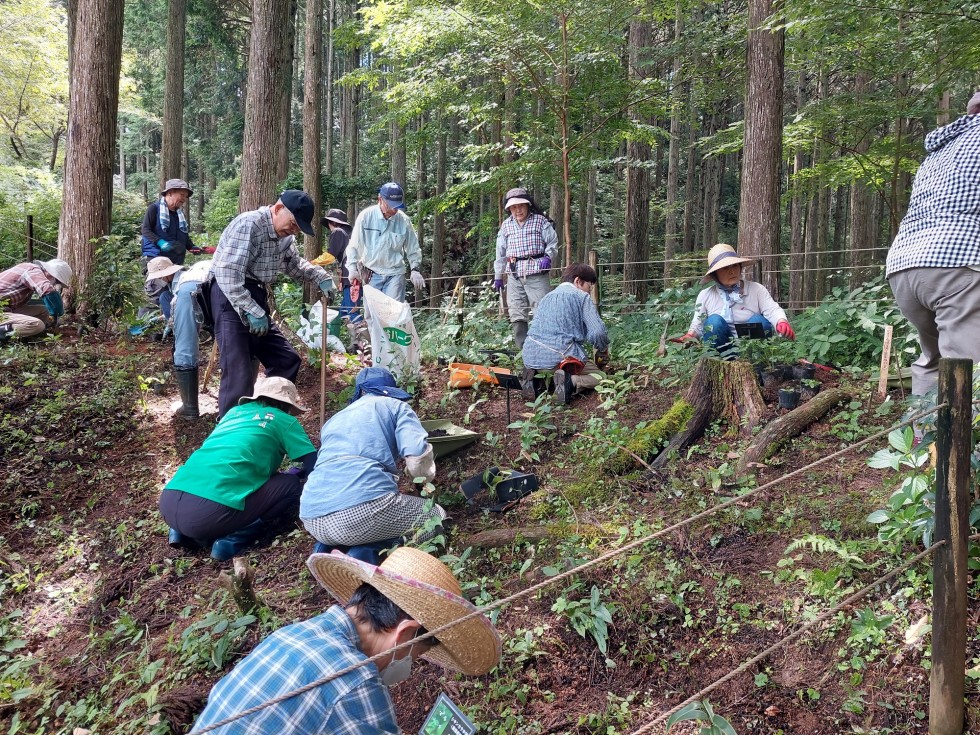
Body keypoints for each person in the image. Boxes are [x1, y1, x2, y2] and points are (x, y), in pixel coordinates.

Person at [190, 546, 501, 734]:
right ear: (405, 634)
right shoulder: (355, 683)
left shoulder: (294, 633)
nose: (408, 667)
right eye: (414, 656)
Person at [159, 377, 316, 561]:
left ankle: (179, 532)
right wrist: (301, 472)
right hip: (206, 514)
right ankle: (230, 540)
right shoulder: (284, 420)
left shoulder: (234, 412)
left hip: (169, 502)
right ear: (287, 405)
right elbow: (313, 463)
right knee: (290, 484)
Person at [209, 189, 335, 418]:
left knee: (286, 360)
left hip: (255, 295)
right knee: (238, 371)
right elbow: (227, 274)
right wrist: (252, 310)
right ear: (278, 209)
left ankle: (267, 419)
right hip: (229, 296)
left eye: (298, 228)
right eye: (293, 224)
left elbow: (295, 265)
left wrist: (320, 276)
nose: (294, 231)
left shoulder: (285, 238)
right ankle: (230, 434)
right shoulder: (250, 224)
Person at [886, 91, 980, 396]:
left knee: (934, 359)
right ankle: (965, 444)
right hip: (956, 263)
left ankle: (920, 443)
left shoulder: (941, 149)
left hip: (905, 265)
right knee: (967, 370)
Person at [300, 367, 446, 553]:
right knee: (435, 519)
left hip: (312, 516)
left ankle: (324, 551)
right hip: (362, 508)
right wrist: (425, 484)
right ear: (391, 390)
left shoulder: (334, 419)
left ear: (360, 391)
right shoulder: (396, 406)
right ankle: (362, 555)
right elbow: (417, 460)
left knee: (356, 528)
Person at [672, 244, 794, 357]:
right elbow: (698, 325)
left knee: (758, 321)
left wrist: (781, 321)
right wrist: (690, 336)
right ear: (715, 274)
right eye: (725, 268)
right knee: (714, 322)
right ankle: (717, 365)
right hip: (721, 347)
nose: (732, 271)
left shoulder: (756, 289)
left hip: (751, 348)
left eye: (735, 265)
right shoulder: (706, 295)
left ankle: (756, 365)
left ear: (740, 267)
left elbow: (772, 309)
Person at [521, 263, 610, 405]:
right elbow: (598, 332)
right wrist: (602, 347)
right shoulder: (581, 297)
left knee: (548, 370)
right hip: (560, 357)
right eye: (589, 287)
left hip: (530, 355)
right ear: (578, 281)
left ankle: (537, 379)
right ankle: (571, 381)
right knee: (600, 376)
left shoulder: (546, 297)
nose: (589, 291)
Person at [142, 256, 213, 418]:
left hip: (196, 301)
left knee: (183, 349)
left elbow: (181, 304)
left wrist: (175, 327)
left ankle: (189, 408)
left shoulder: (184, 286)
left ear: (165, 276)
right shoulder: (183, 280)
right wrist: (164, 319)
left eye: (158, 278)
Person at [493, 187, 558, 349]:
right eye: (514, 207)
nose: (518, 210)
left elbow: (553, 242)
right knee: (516, 310)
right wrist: (498, 276)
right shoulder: (506, 226)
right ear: (509, 209)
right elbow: (500, 252)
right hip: (514, 274)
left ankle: (544, 348)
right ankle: (522, 350)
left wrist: (548, 257)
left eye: (521, 206)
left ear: (528, 205)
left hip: (537, 272)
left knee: (542, 309)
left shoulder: (541, 221)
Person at [346, 182, 426, 303]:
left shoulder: (403, 220)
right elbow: (354, 245)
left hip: (395, 273)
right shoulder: (366, 217)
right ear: (380, 199)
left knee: (392, 313)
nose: (395, 209)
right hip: (371, 273)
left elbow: (413, 247)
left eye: (397, 205)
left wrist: (415, 269)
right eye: (391, 205)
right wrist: (352, 268)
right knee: (372, 315)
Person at [0, 258, 72, 341]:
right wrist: (57, 308)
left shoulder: (30, 270)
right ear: (50, 273)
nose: (55, 284)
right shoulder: (32, 270)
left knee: (45, 311)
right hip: (2, 310)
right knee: (37, 325)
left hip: (7, 308)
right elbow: (47, 290)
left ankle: (19, 329)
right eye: (57, 282)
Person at [140, 178, 197, 270]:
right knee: (158, 284)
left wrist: (192, 247)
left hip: (175, 261)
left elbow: (184, 236)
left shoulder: (180, 215)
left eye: (186, 196)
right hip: (156, 259)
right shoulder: (154, 209)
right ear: (170, 193)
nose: (184, 199)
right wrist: (160, 242)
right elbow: (146, 230)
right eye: (182, 195)